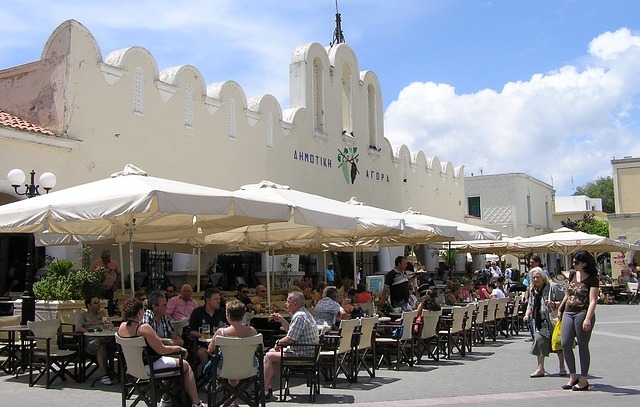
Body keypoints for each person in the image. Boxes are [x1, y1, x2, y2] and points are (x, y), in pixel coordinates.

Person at [117, 297, 204, 407]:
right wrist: (178, 349)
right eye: (143, 309)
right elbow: (161, 349)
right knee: (185, 366)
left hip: (132, 368)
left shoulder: (122, 327)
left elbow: (153, 341)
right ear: (139, 312)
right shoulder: (144, 328)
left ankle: (165, 398)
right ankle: (196, 403)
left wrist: (169, 342)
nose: (144, 312)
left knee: (172, 365)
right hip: (150, 366)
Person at [263, 291, 319, 402]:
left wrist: (278, 343)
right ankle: (268, 387)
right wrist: (282, 320)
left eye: (288, 301)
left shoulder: (299, 316)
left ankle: (264, 390)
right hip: (309, 352)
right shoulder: (305, 313)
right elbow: (292, 333)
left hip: (303, 354)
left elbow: (290, 339)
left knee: (268, 356)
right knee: (271, 353)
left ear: (295, 303)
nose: (285, 303)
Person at [557, 250, 599, 391]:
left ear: (584, 263)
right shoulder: (572, 274)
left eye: (576, 262)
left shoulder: (592, 278)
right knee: (565, 343)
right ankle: (573, 376)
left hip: (582, 312)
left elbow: (593, 301)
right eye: (573, 261)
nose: (573, 264)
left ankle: (584, 379)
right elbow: (568, 294)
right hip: (569, 311)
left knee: (582, 345)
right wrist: (560, 309)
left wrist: (588, 318)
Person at [206, 300, 258, 407]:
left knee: (230, 363)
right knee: (236, 361)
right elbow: (256, 348)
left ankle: (233, 400)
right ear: (243, 315)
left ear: (228, 315)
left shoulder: (221, 333)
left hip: (226, 369)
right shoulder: (252, 331)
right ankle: (234, 401)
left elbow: (210, 349)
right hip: (250, 368)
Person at [74, 296, 113, 385]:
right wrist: (90, 332)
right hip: (91, 340)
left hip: (105, 337)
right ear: (89, 305)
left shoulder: (102, 313)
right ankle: (104, 375)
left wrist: (106, 323)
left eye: (99, 302)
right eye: (95, 303)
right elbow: (78, 328)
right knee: (101, 345)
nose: (98, 304)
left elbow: (109, 326)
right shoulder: (83, 315)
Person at [523, 268, 554, 378]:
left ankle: (562, 367)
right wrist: (527, 314)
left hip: (552, 320)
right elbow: (530, 304)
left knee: (559, 345)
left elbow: (563, 300)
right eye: (534, 277)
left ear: (543, 277)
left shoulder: (551, 287)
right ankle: (540, 368)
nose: (535, 279)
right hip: (540, 322)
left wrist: (554, 304)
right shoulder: (533, 289)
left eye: (537, 277)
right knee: (539, 341)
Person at [189, 287, 226, 370]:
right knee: (202, 352)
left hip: (219, 344)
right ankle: (208, 374)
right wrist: (204, 335)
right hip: (202, 344)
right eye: (216, 299)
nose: (219, 301)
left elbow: (227, 328)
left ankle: (221, 374)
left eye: (219, 298)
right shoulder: (197, 312)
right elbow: (192, 331)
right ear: (208, 300)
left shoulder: (222, 312)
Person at [90, 249, 121, 316]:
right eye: (103, 258)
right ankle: (99, 315)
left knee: (110, 302)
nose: (104, 259)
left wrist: (115, 284)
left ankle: (110, 316)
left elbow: (119, 274)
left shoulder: (114, 263)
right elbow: (90, 274)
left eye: (106, 258)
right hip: (99, 288)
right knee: (99, 302)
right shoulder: (96, 263)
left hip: (110, 287)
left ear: (109, 257)